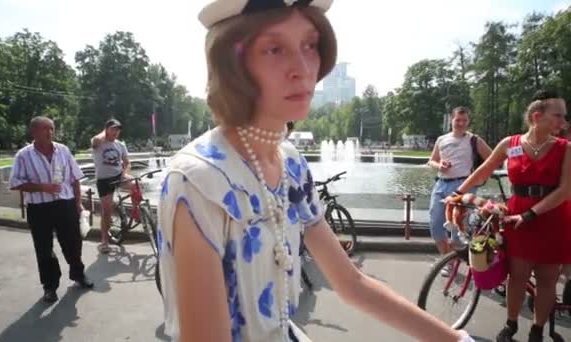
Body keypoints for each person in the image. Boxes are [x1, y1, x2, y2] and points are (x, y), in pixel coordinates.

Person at [156, 1, 474, 341]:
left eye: (310, 45)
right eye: (275, 48)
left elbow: (351, 283)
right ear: (233, 63)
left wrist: (455, 339)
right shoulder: (198, 181)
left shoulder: (290, 161)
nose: (303, 68)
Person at [448, 90, 571, 342]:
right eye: (558, 116)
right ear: (537, 117)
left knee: (547, 280)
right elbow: (484, 171)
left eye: (564, 116)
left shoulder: (565, 148)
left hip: (552, 218)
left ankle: (536, 330)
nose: (564, 122)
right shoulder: (510, 144)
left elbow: (565, 190)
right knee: (517, 277)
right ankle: (511, 324)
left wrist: (529, 214)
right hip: (516, 216)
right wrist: (458, 193)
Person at [10, 116, 93, 304]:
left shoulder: (63, 151)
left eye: (52, 129)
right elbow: (15, 183)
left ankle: (78, 275)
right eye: (45, 129)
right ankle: (50, 286)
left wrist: (78, 203)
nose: (50, 133)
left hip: (65, 204)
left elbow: (75, 178)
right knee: (44, 249)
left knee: (73, 243)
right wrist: (42, 187)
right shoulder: (23, 155)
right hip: (39, 208)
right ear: (34, 132)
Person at [427, 106, 491, 274]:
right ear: (452, 120)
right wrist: (439, 165)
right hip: (441, 184)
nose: (461, 123)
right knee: (435, 225)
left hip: (463, 186)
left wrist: (480, 177)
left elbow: (492, 159)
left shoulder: (474, 140)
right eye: (457, 120)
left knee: (457, 229)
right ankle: (446, 258)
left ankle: (451, 263)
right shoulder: (442, 139)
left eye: (464, 120)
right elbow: (431, 160)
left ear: (468, 121)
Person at [91, 118, 130, 253]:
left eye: (118, 130)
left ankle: (137, 212)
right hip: (104, 180)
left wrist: (125, 173)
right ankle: (104, 242)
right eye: (113, 129)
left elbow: (126, 162)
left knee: (136, 184)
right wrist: (106, 131)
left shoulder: (120, 145)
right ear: (106, 130)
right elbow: (96, 140)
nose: (116, 132)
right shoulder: (98, 143)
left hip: (118, 176)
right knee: (106, 211)